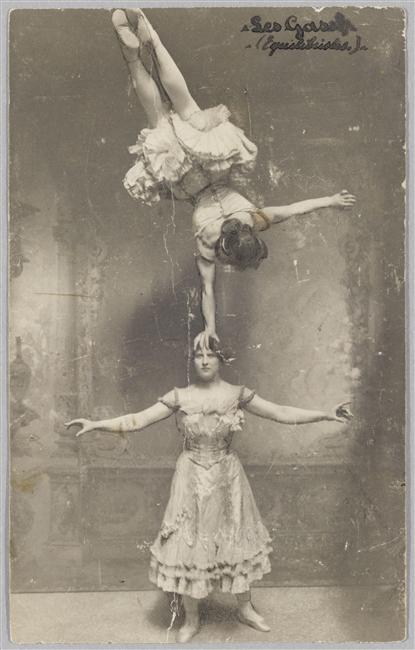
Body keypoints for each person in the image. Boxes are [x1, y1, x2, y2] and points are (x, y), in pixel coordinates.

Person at [66, 342, 352, 643]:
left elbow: (279, 412)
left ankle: (245, 608)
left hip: (227, 476)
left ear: (220, 359)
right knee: (190, 542)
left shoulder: (237, 394)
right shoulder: (180, 396)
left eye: (210, 355)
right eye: (198, 355)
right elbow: (137, 420)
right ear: (192, 360)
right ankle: (191, 618)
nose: (204, 361)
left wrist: (326, 414)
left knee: (234, 537)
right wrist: (96, 424)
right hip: (190, 476)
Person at [111, 9, 357, 351]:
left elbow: (295, 209)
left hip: (211, 157)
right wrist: (210, 328)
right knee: (155, 112)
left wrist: (331, 200)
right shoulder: (207, 242)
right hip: (184, 176)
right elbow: (207, 290)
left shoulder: (254, 219)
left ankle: (151, 35)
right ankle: (132, 56)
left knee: (183, 100)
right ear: (226, 252)